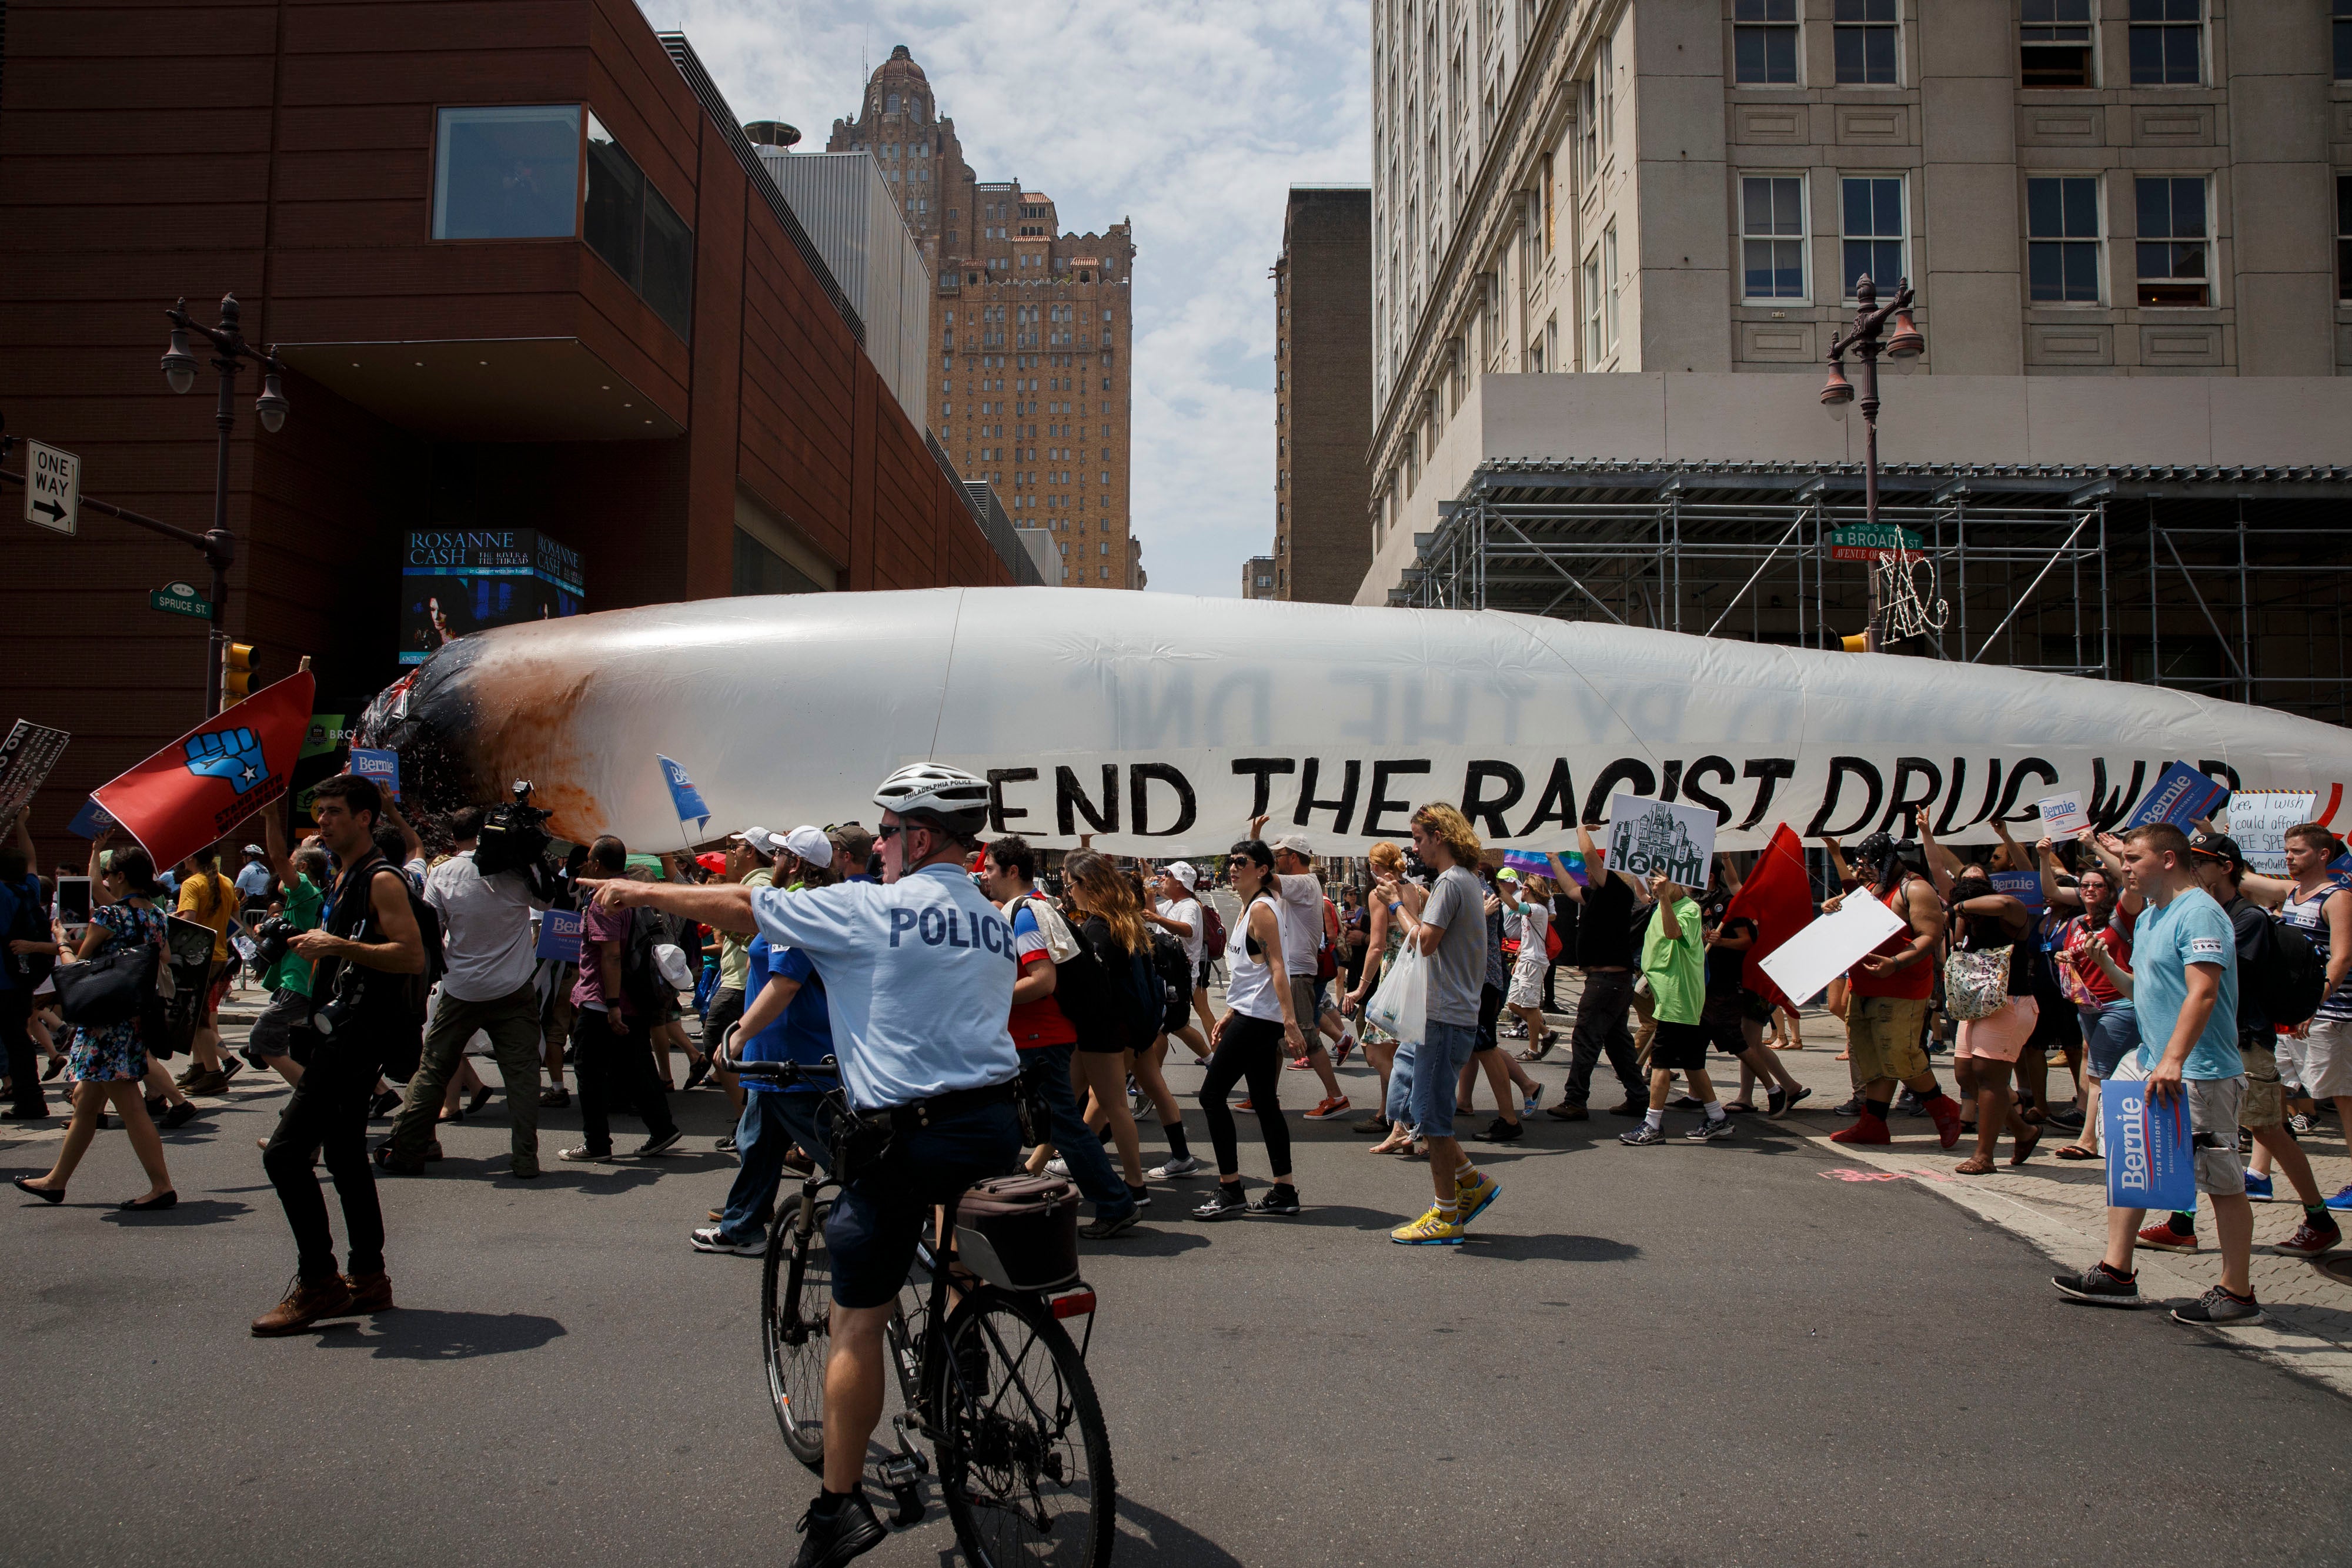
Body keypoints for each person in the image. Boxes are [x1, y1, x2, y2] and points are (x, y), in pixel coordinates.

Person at [584, 762, 1024, 1563]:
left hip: (906, 1133)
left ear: (920, 837)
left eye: (888, 831)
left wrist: (638, 893)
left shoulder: (872, 906)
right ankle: (965, 1380)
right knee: (961, 1258)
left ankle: (840, 1508)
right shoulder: (996, 917)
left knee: (860, 1316)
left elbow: (743, 906)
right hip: (994, 1122)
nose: (881, 844)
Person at [2053, 823, 2259, 1325]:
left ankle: (2238, 1291)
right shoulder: (2149, 916)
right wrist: (2104, 964)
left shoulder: (2201, 912)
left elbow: (2203, 993)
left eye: (2132, 858)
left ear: (2168, 860)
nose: (2122, 867)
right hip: (2151, 1062)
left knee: (2222, 1181)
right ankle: (2116, 1271)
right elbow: (2141, 992)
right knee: (2132, 1165)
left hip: (2200, 1071)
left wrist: (2174, 1058)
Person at [252, 774, 425, 1336]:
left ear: (365, 818)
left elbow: (410, 956)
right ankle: (369, 1277)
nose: (323, 821)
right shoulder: (344, 874)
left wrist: (338, 945)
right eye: (319, 811)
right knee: (347, 1153)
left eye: (332, 812)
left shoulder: (381, 879)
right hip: (339, 1031)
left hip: (356, 1038)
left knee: (284, 1154)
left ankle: (319, 1281)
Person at [2122, 833, 2340, 1259]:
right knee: (2198, 1137)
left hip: (2243, 1041)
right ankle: (2183, 1223)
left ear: (2225, 867)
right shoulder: (2195, 910)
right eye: (2194, 859)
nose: (2196, 867)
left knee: (2266, 1129)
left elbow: (2207, 986)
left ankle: (2319, 1217)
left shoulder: (2239, 917)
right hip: (2210, 1044)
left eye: (2203, 861)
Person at [377, 804, 550, 1179]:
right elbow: (546, 903)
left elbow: (432, 930)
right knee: (521, 1076)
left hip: (461, 988)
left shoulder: (442, 873)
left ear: (455, 835)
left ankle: (407, 1150)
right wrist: (532, 857)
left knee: (434, 1069)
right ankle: (525, 1160)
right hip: (514, 988)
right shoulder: (517, 871)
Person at [979, 837, 1140, 1233]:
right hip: (1039, 1036)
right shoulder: (1032, 906)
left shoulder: (1025, 914)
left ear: (1011, 871)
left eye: (989, 869)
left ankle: (1115, 1202)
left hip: (1040, 1036)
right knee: (1049, 1122)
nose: (984, 876)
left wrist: (986, 999)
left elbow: (1043, 980)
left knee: (1062, 1125)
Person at [12, 833, 178, 1210]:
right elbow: (164, 957)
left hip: (104, 1024)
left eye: (107, 873)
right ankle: (56, 1181)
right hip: (133, 1018)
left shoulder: (110, 915)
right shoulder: (154, 915)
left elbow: (80, 973)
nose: (104, 880)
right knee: (87, 1104)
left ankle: (162, 1185)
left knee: (129, 1107)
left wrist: (62, 943)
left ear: (119, 876)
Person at [691, 871, 839, 1256]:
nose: (777, 860)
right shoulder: (786, 910)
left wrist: (738, 1034)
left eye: (783, 853)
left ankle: (898, 1208)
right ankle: (742, 1227)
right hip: (771, 1058)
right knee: (756, 1145)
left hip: (791, 1058)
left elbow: (785, 983)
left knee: (841, 1153)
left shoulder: (800, 913)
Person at [1382, 803, 1502, 1245]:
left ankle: (1446, 1214)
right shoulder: (1466, 880)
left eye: (1417, 838)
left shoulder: (1452, 882)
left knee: (1432, 1118)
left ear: (1440, 836)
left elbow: (1426, 942)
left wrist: (1396, 905)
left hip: (1445, 1015)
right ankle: (1472, 1180)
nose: (1414, 847)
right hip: (1450, 1013)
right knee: (1424, 1109)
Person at [1822, 831, 1963, 1149]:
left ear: (1887, 861)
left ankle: (1944, 1110)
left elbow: (1929, 936)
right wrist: (1832, 903)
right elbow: (1847, 898)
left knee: (1899, 1055)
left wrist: (1895, 963)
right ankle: (1873, 1123)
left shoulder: (1915, 888)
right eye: (1861, 867)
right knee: (1871, 1057)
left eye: (1869, 866)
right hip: (1864, 985)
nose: (1864, 873)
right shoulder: (1873, 886)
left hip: (1902, 987)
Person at [1192, 838, 1306, 1220]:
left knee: (1211, 1096)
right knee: (1264, 1101)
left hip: (1259, 1020)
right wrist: (1230, 1012)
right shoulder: (1246, 908)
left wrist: (1290, 1022)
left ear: (1262, 870)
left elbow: (1277, 968)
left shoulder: (1261, 910)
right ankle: (1285, 1190)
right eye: (1231, 860)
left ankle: (1230, 1190)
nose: (1233, 866)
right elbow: (1251, 974)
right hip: (1251, 1014)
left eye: (1242, 861)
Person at [557, 834, 682, 1163]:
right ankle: (662, 1128)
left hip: (604, 999)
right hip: (635, 994)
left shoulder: (604, 898)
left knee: (589, 1071)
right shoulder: (632, 890)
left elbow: (610, 956)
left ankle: (597, 1143)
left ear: (596, 864)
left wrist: (611, 1006)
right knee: (637, 1065)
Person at [2261, 822, 2352, 1214]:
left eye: (2297, 851)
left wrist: (2315, 1003)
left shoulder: (2338, 898)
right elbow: (2240, 875)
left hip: (2329, 1015)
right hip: (2293, 1015)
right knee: (2275, 1085)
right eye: (2286, 851)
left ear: (2323, 854)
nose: (2289, 858)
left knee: (2343, 1097)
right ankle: (2259, 1173)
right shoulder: (2291, 893)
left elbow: (2343, 957)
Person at [1939, 862, 2043, 1173]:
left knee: (1989, 1077)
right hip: (1977, 1007)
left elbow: (2006, 903)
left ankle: (1985, 1156)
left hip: (2011, 1004)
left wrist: (1958, 906)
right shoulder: (1968, 924)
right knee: (1965, 1075)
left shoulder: (2010, 917)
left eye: (1970, 911)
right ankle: (2024, 1131)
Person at [1618, 868, 1733, 1146]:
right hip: (1672, 994)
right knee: (1693, 1063)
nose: (1655, 885)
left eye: (1661, 881)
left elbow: (1673, 933)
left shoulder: (1689, 909)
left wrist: (1666, 899)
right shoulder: (1662, 904)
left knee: (1661, 1062)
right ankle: (1718, 1118)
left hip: (1678, 996)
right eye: (1653, 881)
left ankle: (1652, 1124)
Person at [1248, 823, 1354, 1122]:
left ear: (1292, 857)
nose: (1275, 858)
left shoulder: (1304, 882)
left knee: (1305, 1035)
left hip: (1296, 971)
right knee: (1275, 1035)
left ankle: (1336, 1097)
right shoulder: (1295, 883)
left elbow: (1263, 874)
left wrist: (1256, 843)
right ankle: (1264, 1096)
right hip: (1289, 969)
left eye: (1279, 854)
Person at [2043, 842, 2140, 1163]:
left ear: (2109, 889)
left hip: (2119, 1004)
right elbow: (2052, 890)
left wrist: (2098, 845)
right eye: (2084, 885)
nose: (2089, 889)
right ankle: (2112, 1132)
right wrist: (2063, 957)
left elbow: (2129, 881)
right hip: (2087, 1007)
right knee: (2102, 1067)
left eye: (2097, 885)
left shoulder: (2122, 915)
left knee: (2099, 1072)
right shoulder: (2075, 923)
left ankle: (2089, 1140)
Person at [1546, 824, 1649, 1122]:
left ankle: (1575, 1100)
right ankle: (1638, 1097)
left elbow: (1590, 854)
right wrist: (1554, 859)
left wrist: (1580, 829)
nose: (1587, 874)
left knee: (1585, 1037)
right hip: (1609, 982)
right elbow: (1569, 889)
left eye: (1591, 871)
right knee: (1618, 1044)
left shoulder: (1616, 889)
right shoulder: (1597, 896)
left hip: (1607, 981)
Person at [242, 809, 329, 1095]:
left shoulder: (304, 890)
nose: (284, 869)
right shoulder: (313, 890)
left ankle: (314, 1101)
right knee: (292, 1046)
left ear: (301, 869)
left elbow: (278, 858)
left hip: (299, 980)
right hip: (298, 979)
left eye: (292, 865)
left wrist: (270, 818)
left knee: (264, 1042)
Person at [171, 846, 243, 1094]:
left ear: (191, 856)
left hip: (198, 957)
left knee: (198, 1019)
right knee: (198, 1014)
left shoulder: (192, 884)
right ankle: (200, 1068)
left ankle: (214, 1075)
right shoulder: (226, 881)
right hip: (219, 955)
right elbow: (237, 918)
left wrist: (171, 920)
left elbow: (188, 919)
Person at [2, 807, 59, 1122]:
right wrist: (21, 825)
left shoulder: (1, 893)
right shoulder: (30, 889)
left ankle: (24, 1097)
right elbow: (32, 860)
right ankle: (31, 1099)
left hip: (1, 979)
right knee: (19, 1041)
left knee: (13, 1042)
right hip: (22, 980)